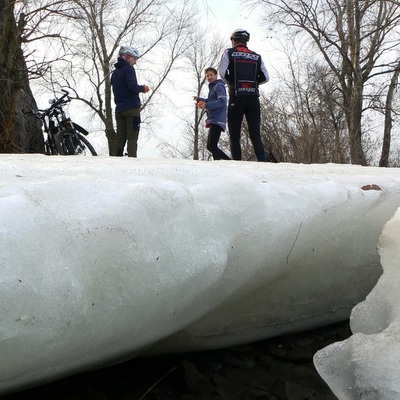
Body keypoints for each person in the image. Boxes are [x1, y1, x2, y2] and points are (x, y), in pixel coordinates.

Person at [219, 29, 270, 162]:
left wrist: (232, 83)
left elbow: (222, 73)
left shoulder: (228, 52)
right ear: (246, 41)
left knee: (235, 135)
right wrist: (253, 83)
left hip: (237, 96)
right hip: (253, 98)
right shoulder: (257, 56)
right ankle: (262, 161)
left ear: (233, 40)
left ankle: (237, 163)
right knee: (255, 134)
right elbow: (266, 77)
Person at [110, 45, 150, 157]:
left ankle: (116, 159)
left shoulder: (114, 73)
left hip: (119, 109)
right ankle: (132, 161)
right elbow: (132, 87)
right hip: (131, 109)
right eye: (134, 59)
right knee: (132, 137)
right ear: (127, 57)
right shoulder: (129, 69)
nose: (135, 62)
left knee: (120, 138)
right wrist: (143, 88)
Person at [195, 67, 230, 161]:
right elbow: (210, 101)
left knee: (212, 145)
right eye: (207, 76)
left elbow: (222, 102)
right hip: (214, 118)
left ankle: (219, 163)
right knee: (210, 146)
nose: (209, 77)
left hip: (217, 118)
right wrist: (200, 100)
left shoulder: (219, 86)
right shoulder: (213, 87)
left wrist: (206, 105)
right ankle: (228, 161)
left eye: (211, 75)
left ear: (216, 75)